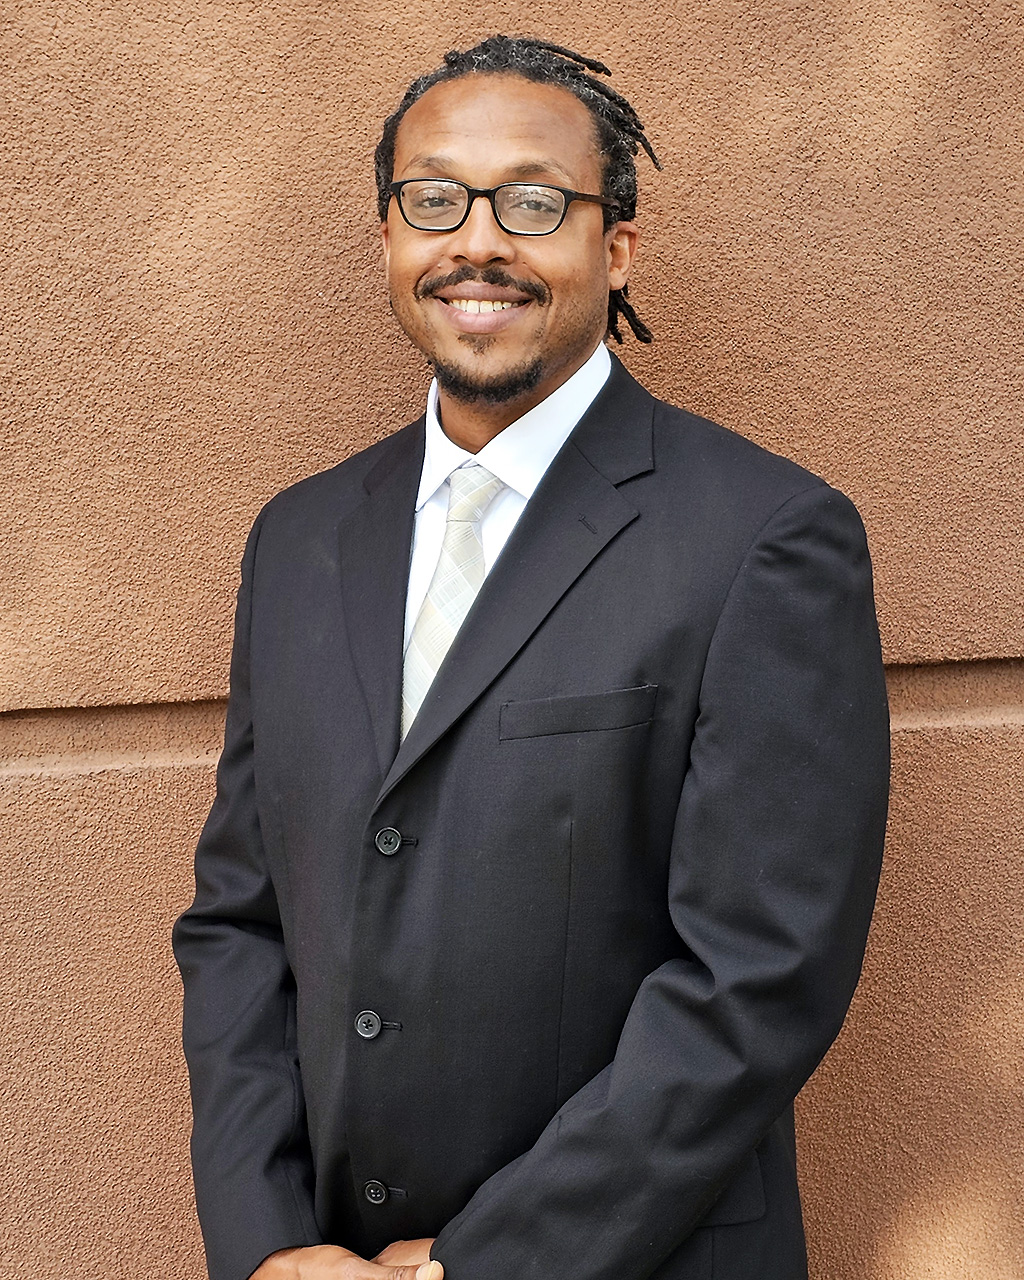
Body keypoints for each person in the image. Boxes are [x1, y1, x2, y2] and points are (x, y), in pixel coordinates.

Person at [173, 35, 890, 1280]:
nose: (477, 242)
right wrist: (268, 1240)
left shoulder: (765, 535)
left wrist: (480, 1262)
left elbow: (757, 974)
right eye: (434, 199)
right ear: (390, 235)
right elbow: (241, 921)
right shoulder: (297, 538)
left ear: (615, 248)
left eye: (535, 201)